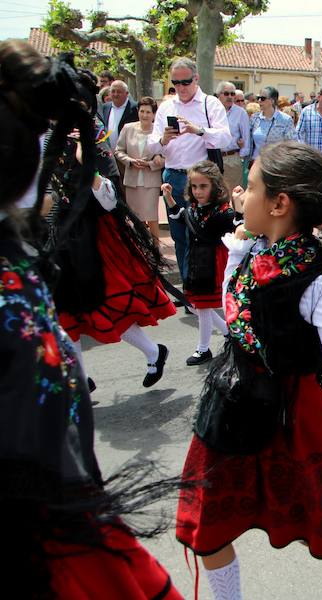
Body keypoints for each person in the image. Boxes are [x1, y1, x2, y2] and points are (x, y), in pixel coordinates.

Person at [1, 40, 185, 600]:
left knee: (89, 318)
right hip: (58, 247)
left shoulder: (88, 149)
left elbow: (104, 191)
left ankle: (151, 354)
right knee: (75, 325)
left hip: (82, 245)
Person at [174, 142, 322, 600]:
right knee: (207, 527)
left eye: (249, 187)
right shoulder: (256, 250)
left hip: (291, 418)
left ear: (279, 203)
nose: (239, 196)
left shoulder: (319, 282)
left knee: (315, 524)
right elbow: (237, 315)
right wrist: (234, 257)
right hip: (231, 405)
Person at [46, 93, 175, 391]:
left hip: (96, 235)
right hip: (61, 233)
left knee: (106, 305)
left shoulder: (91, 134)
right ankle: (78, 378)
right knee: (65, 310)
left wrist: (88, 168)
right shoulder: (46, 136)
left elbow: (109, 199)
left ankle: (154, 352)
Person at [148, 56, 232, 282]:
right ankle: (189, 288)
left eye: (185, 82)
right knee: (179, 235)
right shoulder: (166, 106)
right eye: (176, 83)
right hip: (173, 177)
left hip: (201, 180)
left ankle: (204, 285)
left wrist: (199, 131)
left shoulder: (210, 104)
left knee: (203, 234)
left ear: (196, 78)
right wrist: (163, 140)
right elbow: (151, 145)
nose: (181, 88)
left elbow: (225, 138)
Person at [161, 161, 236, 365]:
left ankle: (203, 349)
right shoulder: (193, 208)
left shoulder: (223, 212)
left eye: (203, 186)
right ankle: (229, 333)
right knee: (196, 305)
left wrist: (240, 208)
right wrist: (168, 197)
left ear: (215, 187)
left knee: (201, 307)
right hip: (195, 261)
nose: (198, 191)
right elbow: (179, 216)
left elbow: (238, 226)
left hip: (213, 264)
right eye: (194, 186)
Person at [115, 96, 166, 239]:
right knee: (136, 217)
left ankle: (156, 248)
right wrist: (130, 161)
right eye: (142, 111)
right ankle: (142, 247)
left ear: (154, 114)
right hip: (132, 180)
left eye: (148, 112)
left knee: (152, 216)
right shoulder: (128, 128)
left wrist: (150, 164)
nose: (145, 115)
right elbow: (118, 151)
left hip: (151, 180)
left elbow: (166, 157)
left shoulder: (159, 132)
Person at [248, 86, 297, 161]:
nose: (259, 101)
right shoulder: (254, 118)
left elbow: (292, 143)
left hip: (275, 164)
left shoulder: (285, 120)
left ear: (272, 101)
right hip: (255, 162)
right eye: (258, 98)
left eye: (263, 98)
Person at [218, 80, 251, 192]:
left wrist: (240, 158)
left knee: (234, 195)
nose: (230, 97)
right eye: (226, 94)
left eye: (232, 94)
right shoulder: (212, 111)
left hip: (232, 158)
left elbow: (246, 138)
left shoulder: (240, 113)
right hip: (213, 158)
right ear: (219, 95)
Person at [100, 80, 138, 150]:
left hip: (127, 155)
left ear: (126, 93)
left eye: (119, 92)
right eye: (113, 91)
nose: (115, 94)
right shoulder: (105, 108)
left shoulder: (136, 108)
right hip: (109, 153)